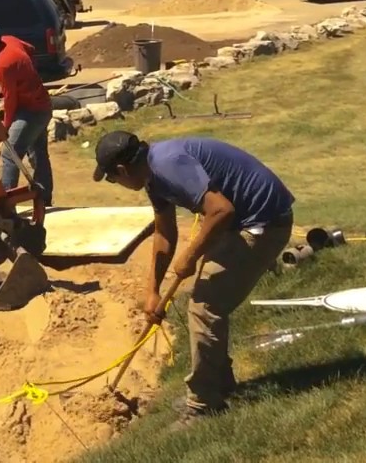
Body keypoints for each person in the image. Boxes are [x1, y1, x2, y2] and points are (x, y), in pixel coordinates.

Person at [92, 130, 295, 422]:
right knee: (206, 302)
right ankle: (218, 385)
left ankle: (203, 404)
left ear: (122, 170)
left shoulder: (168, 164)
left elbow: (221, 210)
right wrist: (153, 291)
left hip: (263, 222)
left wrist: (190, 255)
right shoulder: (152, 175)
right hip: (239, 222)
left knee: (204, 306)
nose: (116, 184)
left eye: (112, 178)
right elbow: (164, 234)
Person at [0, 22, 54, 205]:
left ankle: (5, 202)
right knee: (38, 154)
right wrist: (26, 75)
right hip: (41, 106)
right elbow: (30, 48)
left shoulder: (4, 65)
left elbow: (10, 101)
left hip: (32, 112)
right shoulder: (9, 40)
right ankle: (44, 200)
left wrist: (3, 126)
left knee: (10, 153)